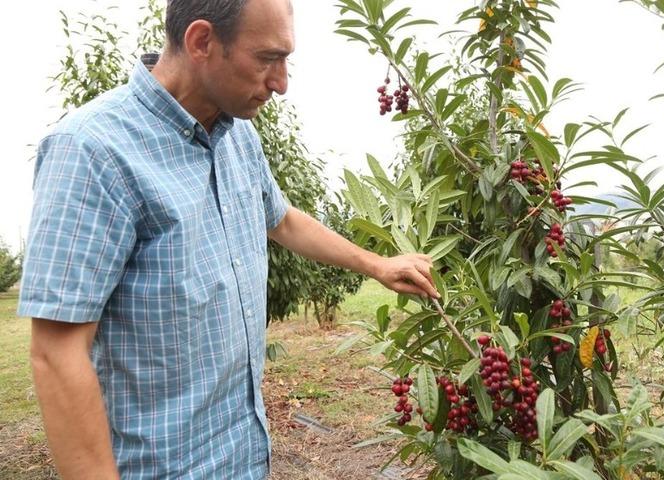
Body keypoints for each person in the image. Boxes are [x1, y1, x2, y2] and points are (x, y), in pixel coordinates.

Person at [17, 0, 438, 478]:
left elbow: (281, 219)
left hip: (243, 454)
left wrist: (376, 264)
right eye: (267, 59)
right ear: (202, 41)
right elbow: (57, 354)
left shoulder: (237, 135)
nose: (281, 83)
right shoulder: (92, 150)